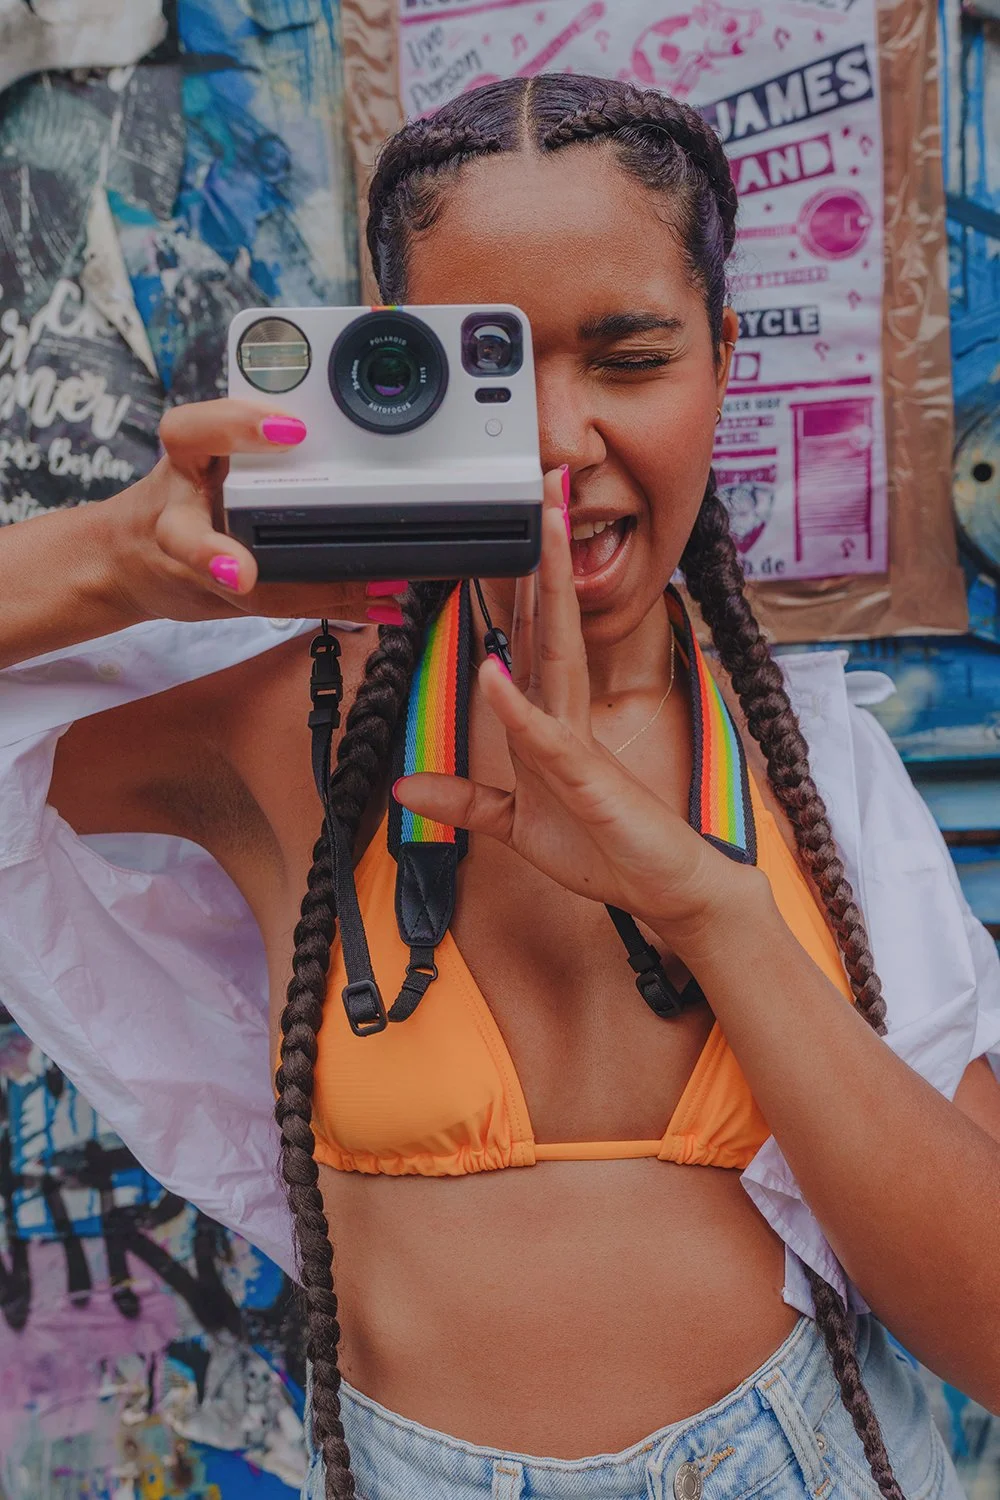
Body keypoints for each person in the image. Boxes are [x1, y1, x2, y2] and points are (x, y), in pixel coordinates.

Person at [1, 75, 999, 1500]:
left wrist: (711, 910)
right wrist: (118, 556)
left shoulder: (814, 770)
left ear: (725, 357)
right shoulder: (288, 725)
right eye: (488, 368)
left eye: (630, 359)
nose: (557, 442)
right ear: (387, 364)